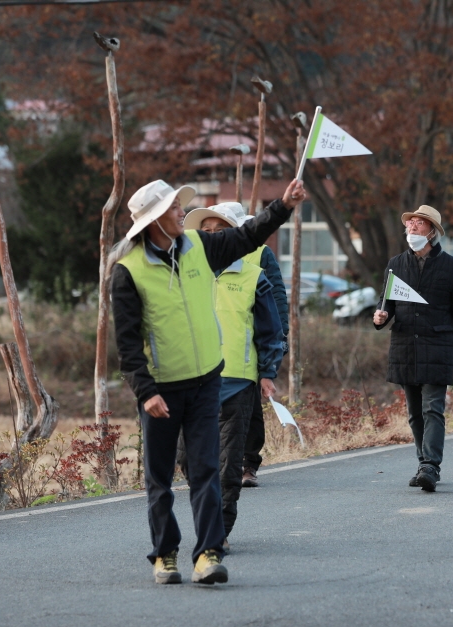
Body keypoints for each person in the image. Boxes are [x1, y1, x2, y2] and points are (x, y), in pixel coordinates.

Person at [111, 178, 306, 585]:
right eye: (171, 209)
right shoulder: (128, 272)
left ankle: (209, 554)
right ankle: (165, 555)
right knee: (161, 479)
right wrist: (145, 392)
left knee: (207, 470)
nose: (181, 212)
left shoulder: (200, 246)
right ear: (151, 222)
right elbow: (127, 344)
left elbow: (247, 235)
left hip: (207, 383)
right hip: (162, 392)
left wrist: (283, 206)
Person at [176, 204, 284, 550]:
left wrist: (267, 372)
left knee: (227, 464)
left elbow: (270, 330)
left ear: (233, 235)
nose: (210, 234)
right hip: (189, 380)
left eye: (218, 229)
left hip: (235, 382)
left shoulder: (253, 276)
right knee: (186, 459)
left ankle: (216, 533)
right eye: (204, 229)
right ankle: (209, 515)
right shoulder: (184, 272)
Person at [373, 205, 453, 493]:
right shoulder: (395, 264)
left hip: (438, 345)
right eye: (410, 223)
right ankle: (422, 462)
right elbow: (385, 305)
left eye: (419, 223)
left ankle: (431, 465)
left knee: (433, 409)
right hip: (404, 345)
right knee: (415, 412)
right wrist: (380, 318)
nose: (412, 227)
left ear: (432, 232)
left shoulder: (452, 267)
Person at [206, 204, 290, 490]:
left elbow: (275, 296)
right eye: (210, 231)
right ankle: (217, 462)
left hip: (249, 341)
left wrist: (280, 339)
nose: (215, 236)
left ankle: (247, 461)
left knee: (249, 407)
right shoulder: (200, 260)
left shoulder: (260, 253)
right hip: (211, 354)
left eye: (222, 230)